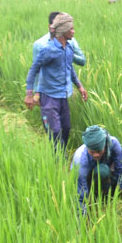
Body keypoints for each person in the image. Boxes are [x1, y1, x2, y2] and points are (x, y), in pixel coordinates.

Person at [24, 13, 88, 150]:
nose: (73, 31)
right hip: (48, 98)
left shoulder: (69, 48)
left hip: (63, 96)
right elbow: (34, 69)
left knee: (66, 128)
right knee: (55, 131)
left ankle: (60, 155)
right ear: (63, 30)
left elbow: (69, 69)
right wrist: (29, 94)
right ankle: (58, 160)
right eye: (71, 29)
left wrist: (80, 86)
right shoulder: (48, 49)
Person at [74, 125, 122, 212]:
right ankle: (102, 199)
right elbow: (81, 191)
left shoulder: (113, 143)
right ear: (87, 148)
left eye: (99, 151)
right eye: (92, 152)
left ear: (105, 145)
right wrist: (83, 213)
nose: (96, 155)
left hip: (109, 173)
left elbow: (121, 170)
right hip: (92, 181)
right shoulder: (81, 160)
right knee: (102, 170)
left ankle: (119, 192)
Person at [32, 11, 86, 99]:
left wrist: (67, 54)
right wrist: (36, 93)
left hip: (66, 91)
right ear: (50, 27)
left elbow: (82, 61)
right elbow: (37, 70)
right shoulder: (39, 44)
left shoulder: (71, 41)